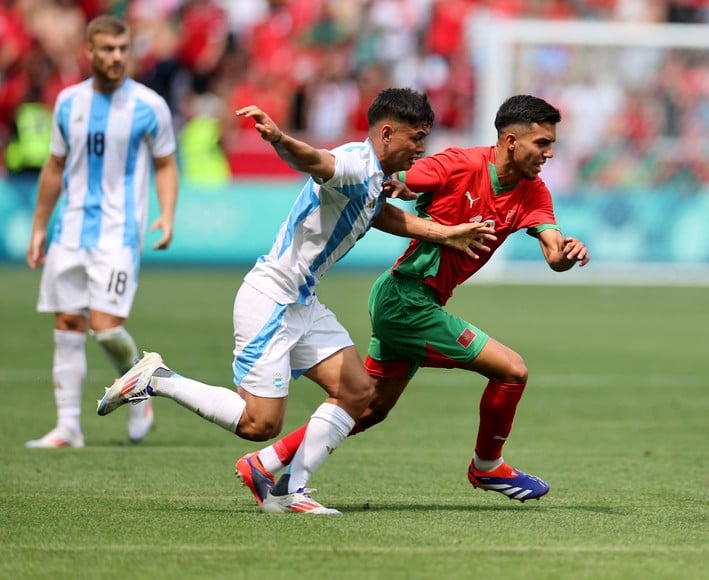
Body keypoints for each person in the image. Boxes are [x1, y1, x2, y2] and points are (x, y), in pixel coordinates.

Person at [96, 88, 496, 514]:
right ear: (386, 133)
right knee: (259, 424)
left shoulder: (374, 178)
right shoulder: (353, 165)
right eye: (416, 138)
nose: (421, 147)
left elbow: (380, 213)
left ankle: (289, 492)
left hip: (301, 302)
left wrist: (445, 232)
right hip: (270, 300)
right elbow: (315, 161)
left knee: (358, 391)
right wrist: (279, 139)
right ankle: (157, 378)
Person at [236, 94, 590, 507]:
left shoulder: (534, 192)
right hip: (407, 299)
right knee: (512, 370)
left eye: (551, 144)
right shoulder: (460, 162)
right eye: (542, 144)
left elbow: (552, 253)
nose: (550, 153)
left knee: (367, 407)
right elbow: (405, 178)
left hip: (413, 301)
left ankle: (265, 461)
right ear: (511, 141)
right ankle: (487, 465)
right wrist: (403, 185)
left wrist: (565, 254)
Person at [25, 15, 178, 449]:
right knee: (68, 322)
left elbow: (166, 163)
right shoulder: (68, 103)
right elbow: (54, 167)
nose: (116, 57)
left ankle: (140, 391)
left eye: (122, 48)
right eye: (107, 49)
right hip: (70, 230)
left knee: (106, 328)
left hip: (118, 235)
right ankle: (68, 427)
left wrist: (167, 213)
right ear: (88, 52)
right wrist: (40, 227)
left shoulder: (150, 105)